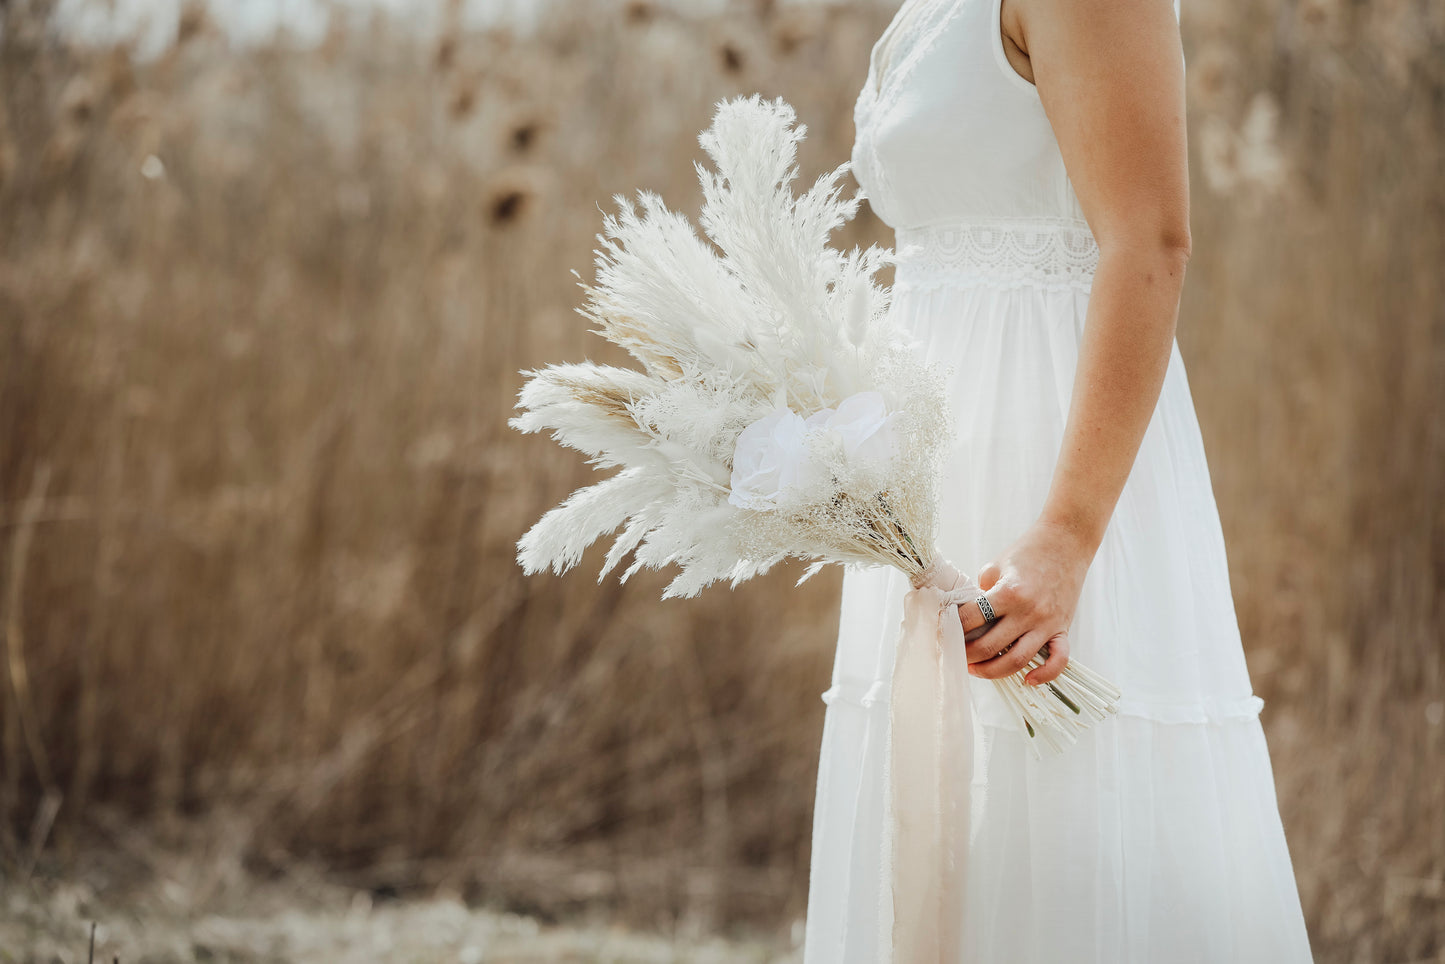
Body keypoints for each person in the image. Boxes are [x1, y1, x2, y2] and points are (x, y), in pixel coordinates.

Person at [803, 0, 1315, 959]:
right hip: (932, 460)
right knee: (941, 801)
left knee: (1069, 798)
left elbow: (1149, 243)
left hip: (1053, 448)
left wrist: (1068, 532)